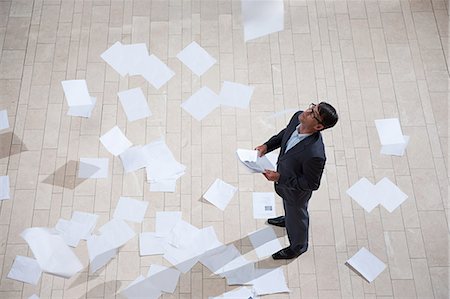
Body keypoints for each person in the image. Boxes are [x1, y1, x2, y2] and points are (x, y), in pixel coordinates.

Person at [255, 102, 338, 260]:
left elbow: (312, 183)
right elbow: (285, 134)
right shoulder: (298, 118)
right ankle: (288, 220)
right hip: (285, 187)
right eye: (311, 107)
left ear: (319, 127)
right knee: (290, 212)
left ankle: (298, 247)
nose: (307, 112)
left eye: (313, 114)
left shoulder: (315, 154)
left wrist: (280, 178)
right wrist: (267, 146)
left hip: (296, 193)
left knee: (297, 216)